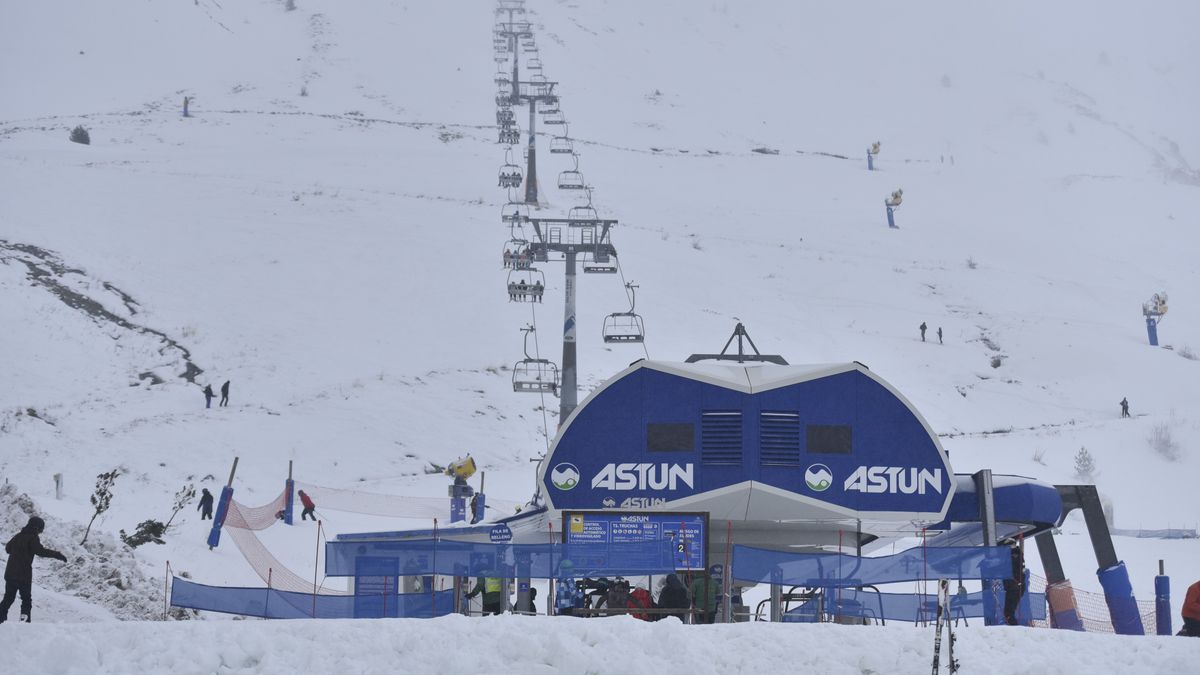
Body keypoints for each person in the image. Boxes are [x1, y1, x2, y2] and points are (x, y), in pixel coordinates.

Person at [1, 516, 67, 623]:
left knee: (8, 598)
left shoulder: (18, 536)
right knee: (26, 600)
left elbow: (8, 549)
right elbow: (40, 551)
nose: (40, 532)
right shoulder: (33, 537)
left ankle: (0, 620)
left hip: (10, 574)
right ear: (37, 527)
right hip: (23, 576)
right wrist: (57, 555)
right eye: (41, 529)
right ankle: (24, 624)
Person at [1002, 542, 1025, 626]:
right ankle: (1012, 627)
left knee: (1009, 612)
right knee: (1007, 612)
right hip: (1011, 587)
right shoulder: (1012, 556)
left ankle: (1014, 628)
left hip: (1016, 587)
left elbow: (1014, 565)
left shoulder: (1016, 555)